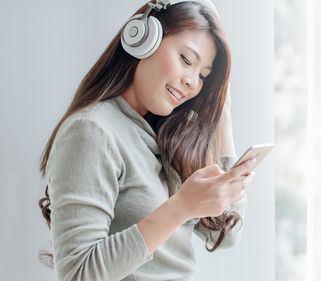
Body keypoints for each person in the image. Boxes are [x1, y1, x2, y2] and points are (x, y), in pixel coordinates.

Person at [37, 1, 256, 280]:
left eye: (203, 76)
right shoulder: (91, 131)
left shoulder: (163, 137)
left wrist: (221, 116)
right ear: (144, 39)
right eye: (186, 60)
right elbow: (78, 274)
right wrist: (181, 207)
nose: (193, 82)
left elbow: (227, 235)